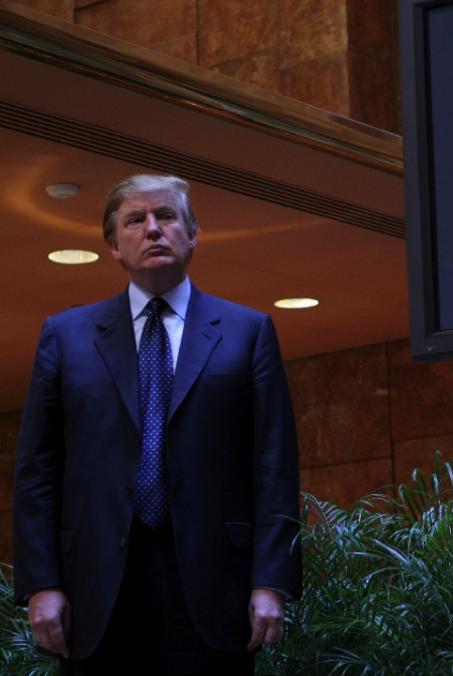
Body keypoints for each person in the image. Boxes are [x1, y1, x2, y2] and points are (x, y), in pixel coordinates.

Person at [14, 175, 302, 674]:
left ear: (193, 234)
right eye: (135, 220)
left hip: (215, 585)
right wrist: (41, 584)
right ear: (113, 246)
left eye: (166, 216)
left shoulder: (247, 332)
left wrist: (271, 581)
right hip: (96, 588)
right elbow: (37, 473)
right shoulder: (66, 337)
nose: (153, 230)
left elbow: (274, 467)